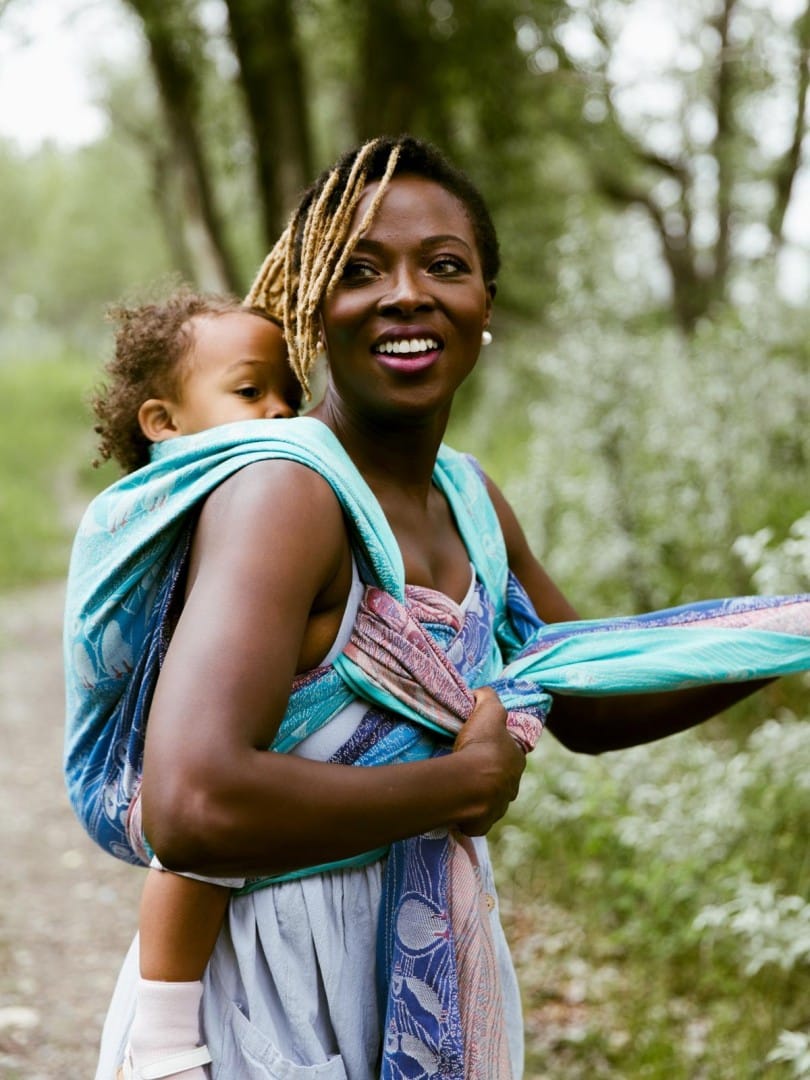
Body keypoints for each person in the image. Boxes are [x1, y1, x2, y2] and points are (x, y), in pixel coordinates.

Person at [65, 136, 810, 1080]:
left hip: (413, 964)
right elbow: (193, 802)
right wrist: (453, 788)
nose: (407, 292)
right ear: (312, 310)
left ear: (483, 305)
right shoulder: (287, 496)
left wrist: (789, 634)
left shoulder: (467, 497)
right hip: (271, 991)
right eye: (360, 270)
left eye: (444, 267)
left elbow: (582, 694)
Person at [90, 288, 301, 1080]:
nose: (280, 411)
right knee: (201, 851)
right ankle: (165, 1039)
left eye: (291, 394)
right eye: (251, 393)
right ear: (163, 423)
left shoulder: (255, 480)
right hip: (193, 749)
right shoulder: (202, 498)